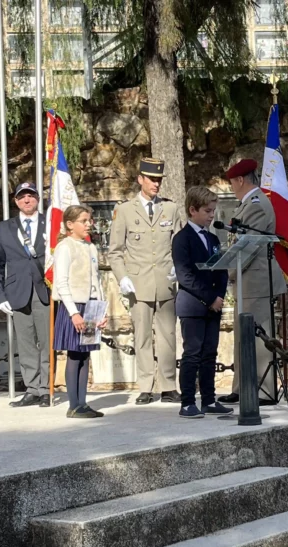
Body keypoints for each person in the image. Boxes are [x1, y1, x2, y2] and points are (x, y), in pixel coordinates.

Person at [108, 158, 182, 405]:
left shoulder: (170, 209)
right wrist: (123, 277)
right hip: (138, 285)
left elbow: (179, 244)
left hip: (165, 282)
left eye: (159, 180)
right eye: (151, 179)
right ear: (140, 179)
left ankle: (168, 386)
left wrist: (178, 267)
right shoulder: (125, 211)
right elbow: (115, 251)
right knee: (142, 337)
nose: (156, 184)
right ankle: (146, 386)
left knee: (168, 336)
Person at [218, 159, 287, 405]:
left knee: (258, 338)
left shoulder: (257, 205)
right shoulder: (247, 203)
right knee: (243, 336)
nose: (232, 187)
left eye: (232, 183)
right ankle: (242, 387)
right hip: (246, 281)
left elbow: (248, 247)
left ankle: (263, 389)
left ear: (240, 180)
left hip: (257, 281)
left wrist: (228, 273)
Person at [172, 186, 232, 419]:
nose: (211, 215)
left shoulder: (213, 238)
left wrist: (220, 296)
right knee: (192, 353)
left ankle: (209, 399)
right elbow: (185, 276)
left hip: (213, 305)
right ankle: (187, 402)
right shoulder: (182, 239)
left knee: (210, 353)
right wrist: (209, 298)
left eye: (213, 211)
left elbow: (221, 270)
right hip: (193, 306)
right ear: (192, 210)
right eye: (207, 211)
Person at [0, 182, 50, 407]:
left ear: (38, 199)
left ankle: (46, 388)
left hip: (44, 289)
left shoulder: (49, 223)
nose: (27, 200)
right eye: (22, 197)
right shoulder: (4, 228)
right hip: (17, 291)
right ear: (16, 201)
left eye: (31, 196)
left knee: (46, 341)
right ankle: (32, 388)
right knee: (25, 343)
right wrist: (0, 296)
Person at [52, 205, 107, 419]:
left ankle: (83, 403)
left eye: (89, 220)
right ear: (69, 224)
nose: (88, 224)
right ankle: (73, 405)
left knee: (85, 354)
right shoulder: (65, 247)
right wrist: (74, 312)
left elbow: (97, 280)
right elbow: (62, 283)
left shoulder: (90, 247)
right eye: (83, 221)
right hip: (74, 307)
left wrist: (100, 310)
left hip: (91, 306)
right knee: (74, 354)